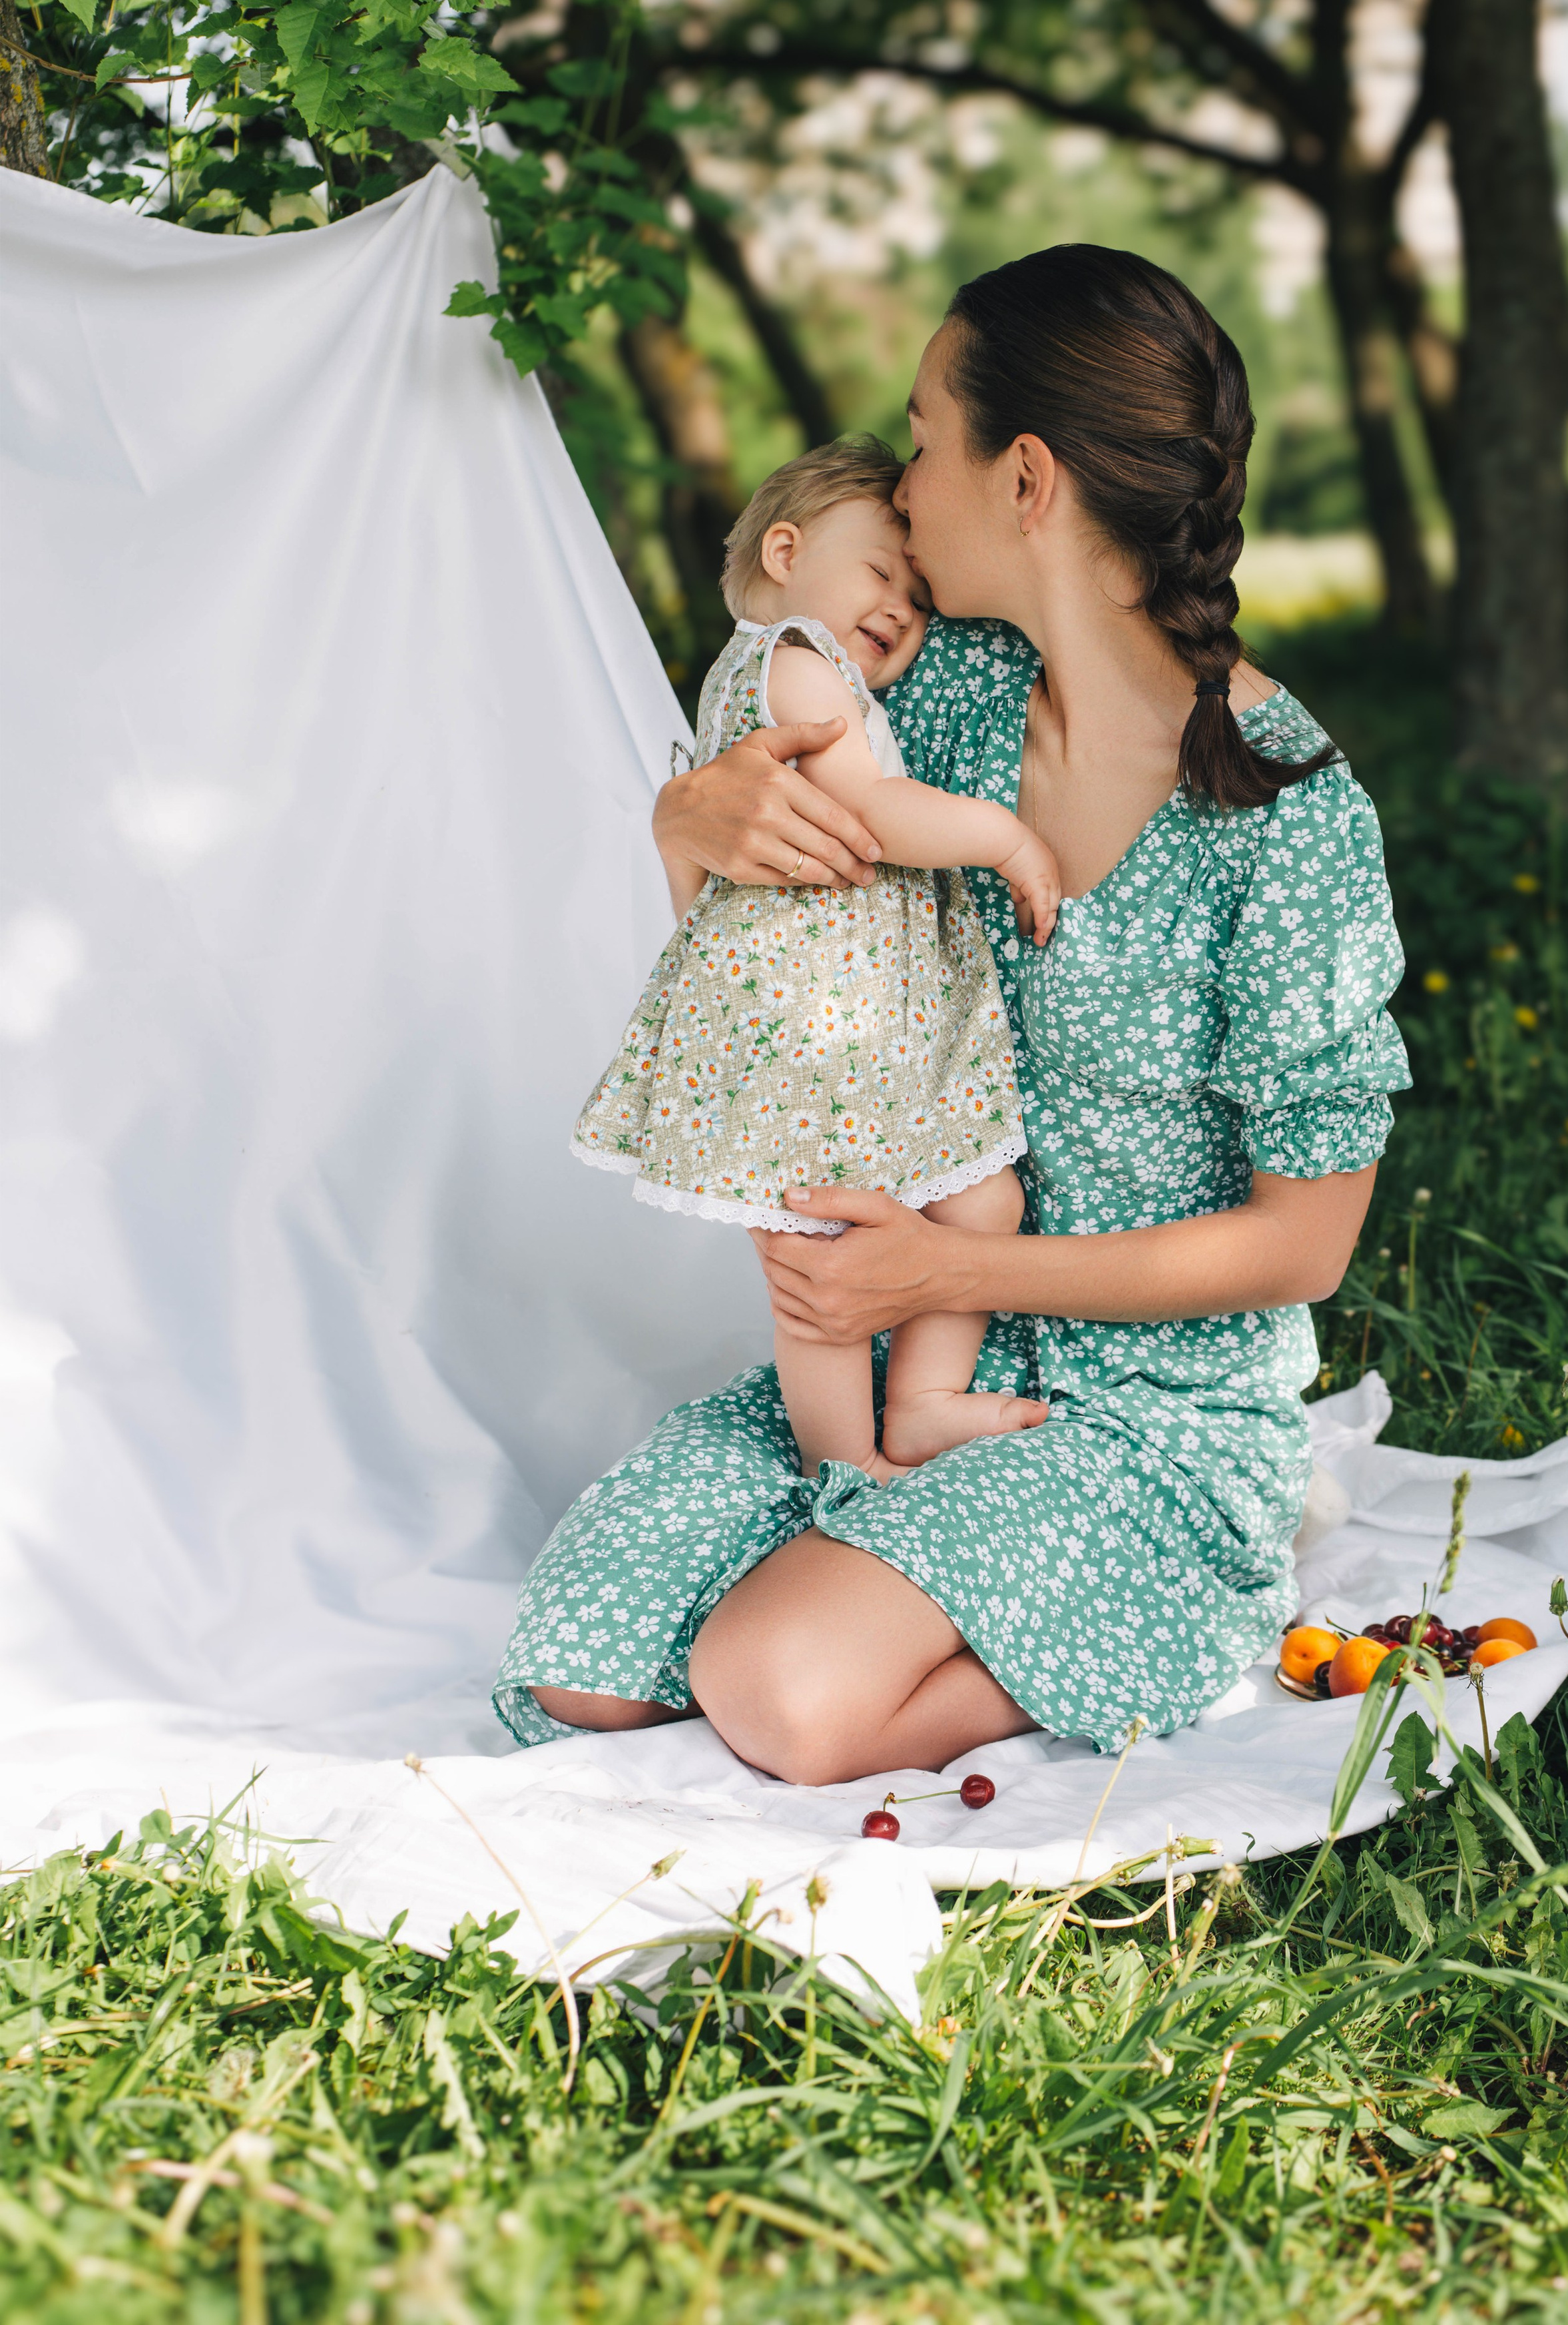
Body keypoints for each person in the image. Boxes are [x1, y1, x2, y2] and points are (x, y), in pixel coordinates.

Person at [492, 244, 1410, 1787]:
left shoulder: (1287, 815)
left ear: (1026, 477)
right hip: (911, 1345)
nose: (903, 486)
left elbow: (1303, 1241)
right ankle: (907, 1563)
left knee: (775, 1687)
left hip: (1142, 1417)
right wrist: (689, 830)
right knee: (576, 1667)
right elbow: (777, 974)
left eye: (925, 437)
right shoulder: (944, 704)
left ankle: (1182, 1594)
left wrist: (953, 1262)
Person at [573, 433, 1061, 1485]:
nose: (901, 608)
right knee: (824, 1268)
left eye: (919, 598)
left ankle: (924, 1400)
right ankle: (845, 1465)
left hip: (856, 1038)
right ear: (786, 551)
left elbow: (702, 894)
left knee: (984, 1203)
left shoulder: (789, 673)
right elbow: (875, 814)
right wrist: (1005, 838)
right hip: (812, 1047)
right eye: (881, 572)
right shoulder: (793, 659)